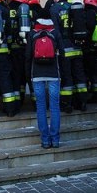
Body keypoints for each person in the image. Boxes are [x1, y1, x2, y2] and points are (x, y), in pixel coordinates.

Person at [25, 8, 64, 149]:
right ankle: (55, 139)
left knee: (40, 106)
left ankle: (45, 140)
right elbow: (62, 56)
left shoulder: (32, 33)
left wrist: (28, 77)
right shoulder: (55, 32)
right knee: (54, 106)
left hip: (37, 74)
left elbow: (28, 57)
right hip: (54, 74)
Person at [49, 0, 87, 113]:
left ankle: (67, 104)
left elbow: (55, 30)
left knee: (66, 76)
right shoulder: (73, 7)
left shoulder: (54, 9)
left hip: (64, 47)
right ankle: (82, 102)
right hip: (77, 46)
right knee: (79, 75)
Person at [8, 0, 32, 114]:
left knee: (15, 77)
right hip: (26, 49)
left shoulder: (8, 9)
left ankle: (16, 104)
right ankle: (30, 102)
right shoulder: (27, 10)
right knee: (27, 76)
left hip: (12, 50)